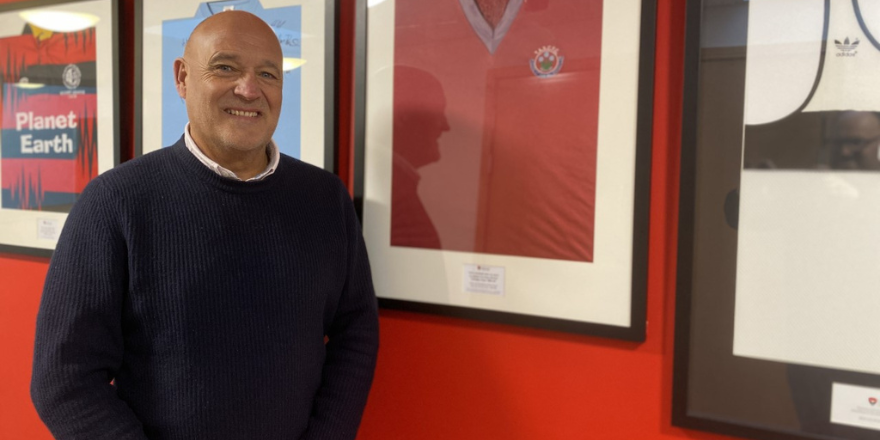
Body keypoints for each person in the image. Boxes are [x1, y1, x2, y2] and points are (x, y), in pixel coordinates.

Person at [30, 11, 379, 440]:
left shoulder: (325, 200)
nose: (249, 89)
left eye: (268, 73)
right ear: (182, 78)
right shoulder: (116, 203)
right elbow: (64, 380)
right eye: (226, 67)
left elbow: (356, 332)